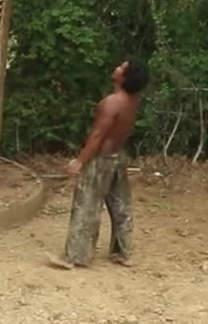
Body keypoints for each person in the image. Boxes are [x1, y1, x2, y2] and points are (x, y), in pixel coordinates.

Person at [50, 58, 149, 269]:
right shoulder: (133, 101)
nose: (116, 67)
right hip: (118, 156)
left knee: (86, 205)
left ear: (125, 77)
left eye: (121, 67)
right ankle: (123, 252)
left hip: (101, 160)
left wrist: (79, 161)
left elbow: (97, 136)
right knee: (120, 205)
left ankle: (75, 256)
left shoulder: (111, 103)